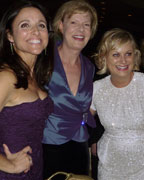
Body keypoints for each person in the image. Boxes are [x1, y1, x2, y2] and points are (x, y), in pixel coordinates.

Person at [42, 0, 98, 179]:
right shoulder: (43, 60)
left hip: (80, 145)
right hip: (45, 145)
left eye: (86, 24)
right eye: (74, 22)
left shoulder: (90, 67)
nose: (81, 29)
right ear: (61, 25)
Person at [0, 0, 53, 179]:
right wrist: (7, 164)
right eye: (25, 25)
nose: (36, 31)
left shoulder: (36, 77)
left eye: (41, 25)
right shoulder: (6, 77)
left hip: (34, 169)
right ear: (10, 36)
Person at [90, 28, 144, 180]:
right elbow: (80, 120)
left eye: (128, 53)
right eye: (116, 54)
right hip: (109, 168)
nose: (123, 60)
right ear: (103, 58)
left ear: (135, 56)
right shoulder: (97, 88)